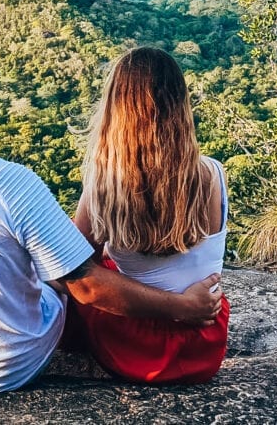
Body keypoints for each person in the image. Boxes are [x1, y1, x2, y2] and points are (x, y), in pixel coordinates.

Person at [0, 40, 224, 393]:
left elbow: (82, 275)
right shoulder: (12, 183)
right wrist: (182, 306)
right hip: (8, 366)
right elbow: (84, 283)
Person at [71, 46, 231, 384]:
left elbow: (71, 267)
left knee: (82, 270)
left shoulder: (105, 186)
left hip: (134, 348)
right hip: (203, 342)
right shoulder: (213, 175)